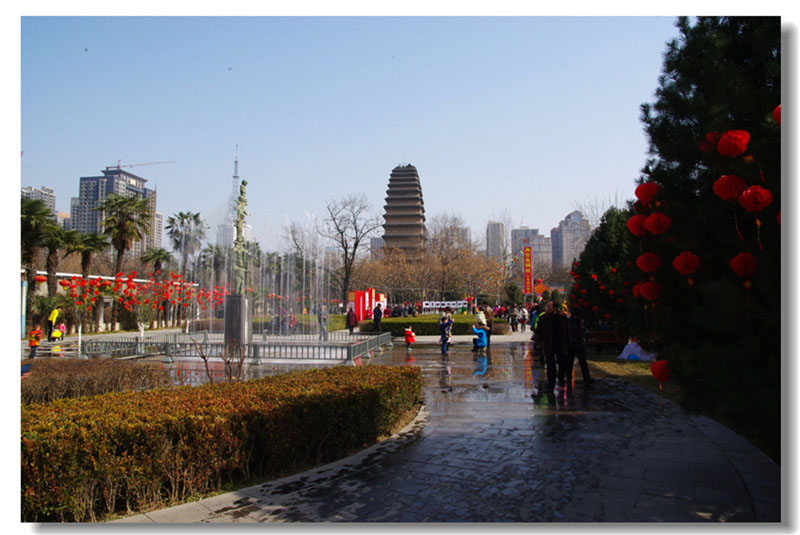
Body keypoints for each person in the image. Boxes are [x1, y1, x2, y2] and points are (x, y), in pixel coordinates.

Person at [534, 300, 571, 393]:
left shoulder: (562, 317)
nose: (547, 309)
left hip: (561, 344)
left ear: (554, 308)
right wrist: (538, 343)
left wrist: (569, 344)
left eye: (549, 307)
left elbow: (567, 331)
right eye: (547, 307)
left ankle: (561, 377)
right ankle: (551, 385)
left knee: (562, 364)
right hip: (548, 344)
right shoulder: (543, 318)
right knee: (550, 366)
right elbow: (538, 332)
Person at [567, 308, 594, 386]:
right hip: (576, 344)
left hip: (575, 344)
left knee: (574, 362)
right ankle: (585, 378)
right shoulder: (578, 321)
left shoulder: (571, 321)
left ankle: (571, 377)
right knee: (577, 362)